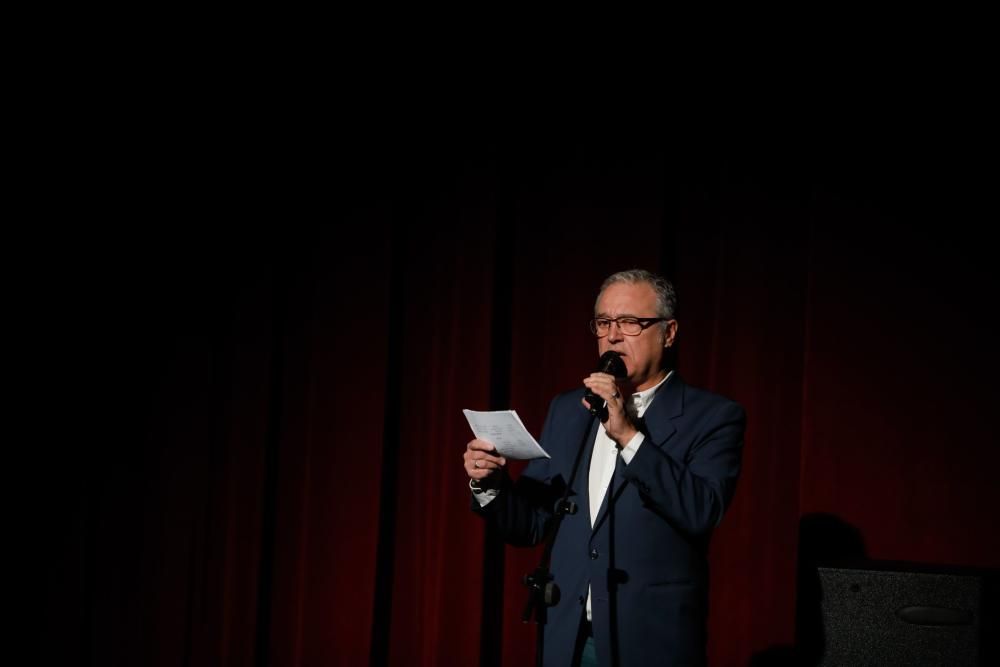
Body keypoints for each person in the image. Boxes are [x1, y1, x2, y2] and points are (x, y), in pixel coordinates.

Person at [464, 269, 745, 667]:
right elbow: (533, 523)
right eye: (603, 323)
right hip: (569, 637)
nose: (613, 335)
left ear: (669, 333)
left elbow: (701, 511)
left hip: (650, 643)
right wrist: (490, 483)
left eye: (630, 322)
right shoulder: (568, 409)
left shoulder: (713, 416)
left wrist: (629, 435)